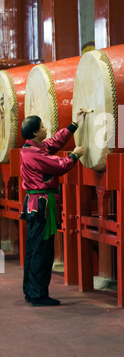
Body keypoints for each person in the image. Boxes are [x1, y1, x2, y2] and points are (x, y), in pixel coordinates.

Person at [20, 110, 86, 306]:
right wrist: (74, 155)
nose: (45, 129)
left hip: (35, 205)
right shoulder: (34, 154)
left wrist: (73, 125)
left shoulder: (30, 148)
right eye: (41, 127)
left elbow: (52, 143)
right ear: (34, 133)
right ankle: (38, 295)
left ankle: (31, 291)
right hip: (41, 205)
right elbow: (59, 165)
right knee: (42, 250)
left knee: (34, 249)